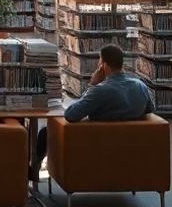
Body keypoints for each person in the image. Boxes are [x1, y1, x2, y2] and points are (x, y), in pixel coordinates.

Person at [29, 44, 153, 182]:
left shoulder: (100, 90)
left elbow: (71, 115)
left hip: (97, 145)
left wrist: (93, 85)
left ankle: (34, 168)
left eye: (99, 61)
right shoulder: (140, 86)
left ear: (104, 65)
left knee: (45, 132)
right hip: (130, 150)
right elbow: (149, 109)